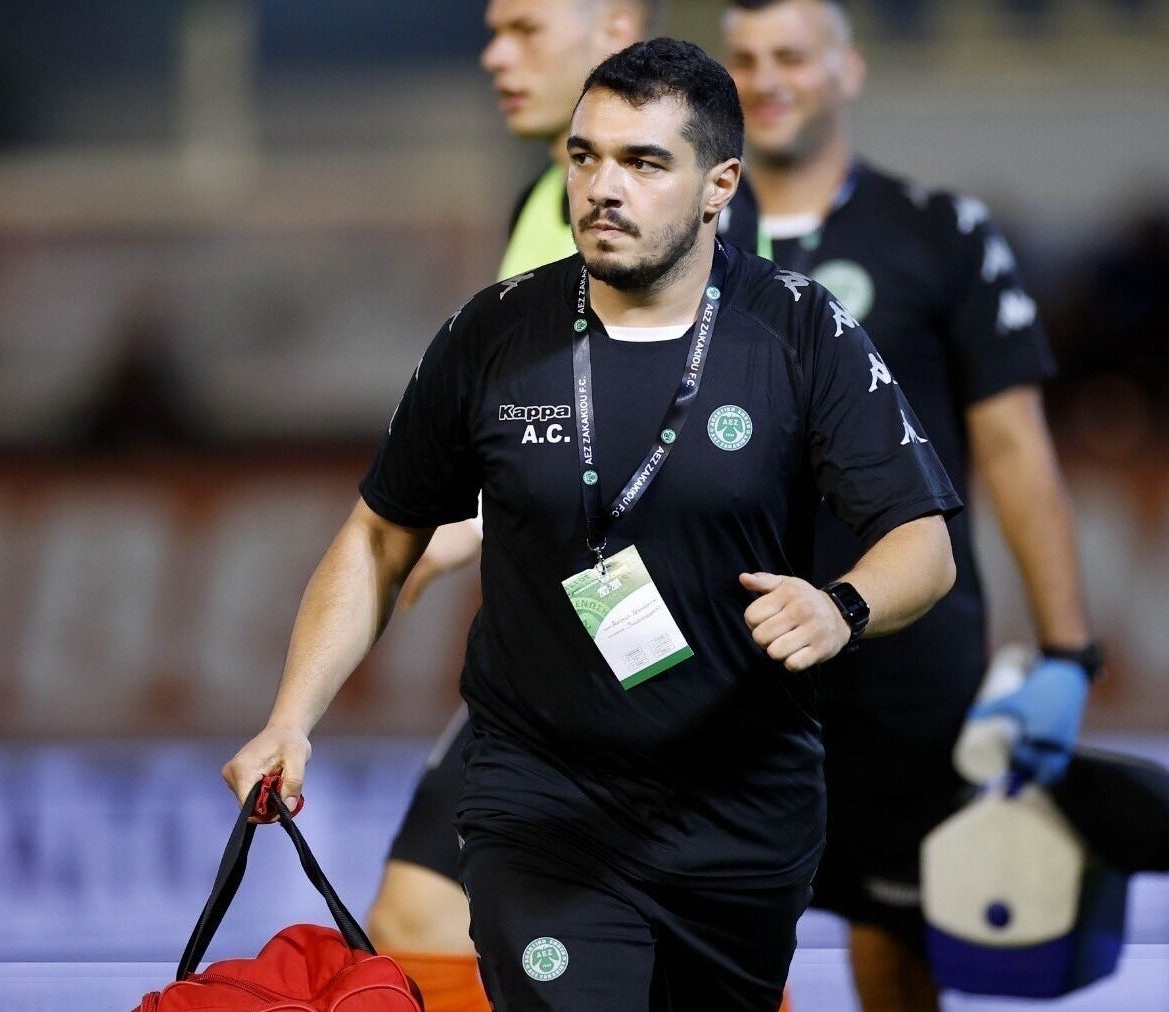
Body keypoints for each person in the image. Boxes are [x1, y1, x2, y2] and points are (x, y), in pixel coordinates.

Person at [225, 37, 961, 1011]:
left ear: (718, 185)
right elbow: (378, 536)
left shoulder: (798, 331)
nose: (601, 187)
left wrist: (842, 607)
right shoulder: (490, 336)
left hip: (740, 811)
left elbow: (924, 541)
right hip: (543, 806)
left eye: (643, 162)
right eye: (584, 156)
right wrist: (291, 718)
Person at [718, 3, 1100, 1010]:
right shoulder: (685, 231)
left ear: (847, 69)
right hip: (727, 648)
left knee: (896, 943)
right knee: (717, 935)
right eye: (744, 58)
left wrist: (1065, 653)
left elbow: (1015, 452)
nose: (767, 79)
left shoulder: (937, 229)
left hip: (903, 645)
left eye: (791, 55)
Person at [362, 5, 660, 1011]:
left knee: (448, 914)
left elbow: (656, 436)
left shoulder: (664, 207)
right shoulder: (543, 201)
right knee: (462, 916)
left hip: (631, 617)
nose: (494, 54)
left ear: (614, 22)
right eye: (491, 29)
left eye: (525, 28)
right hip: (581, 618)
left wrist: (485, 521)